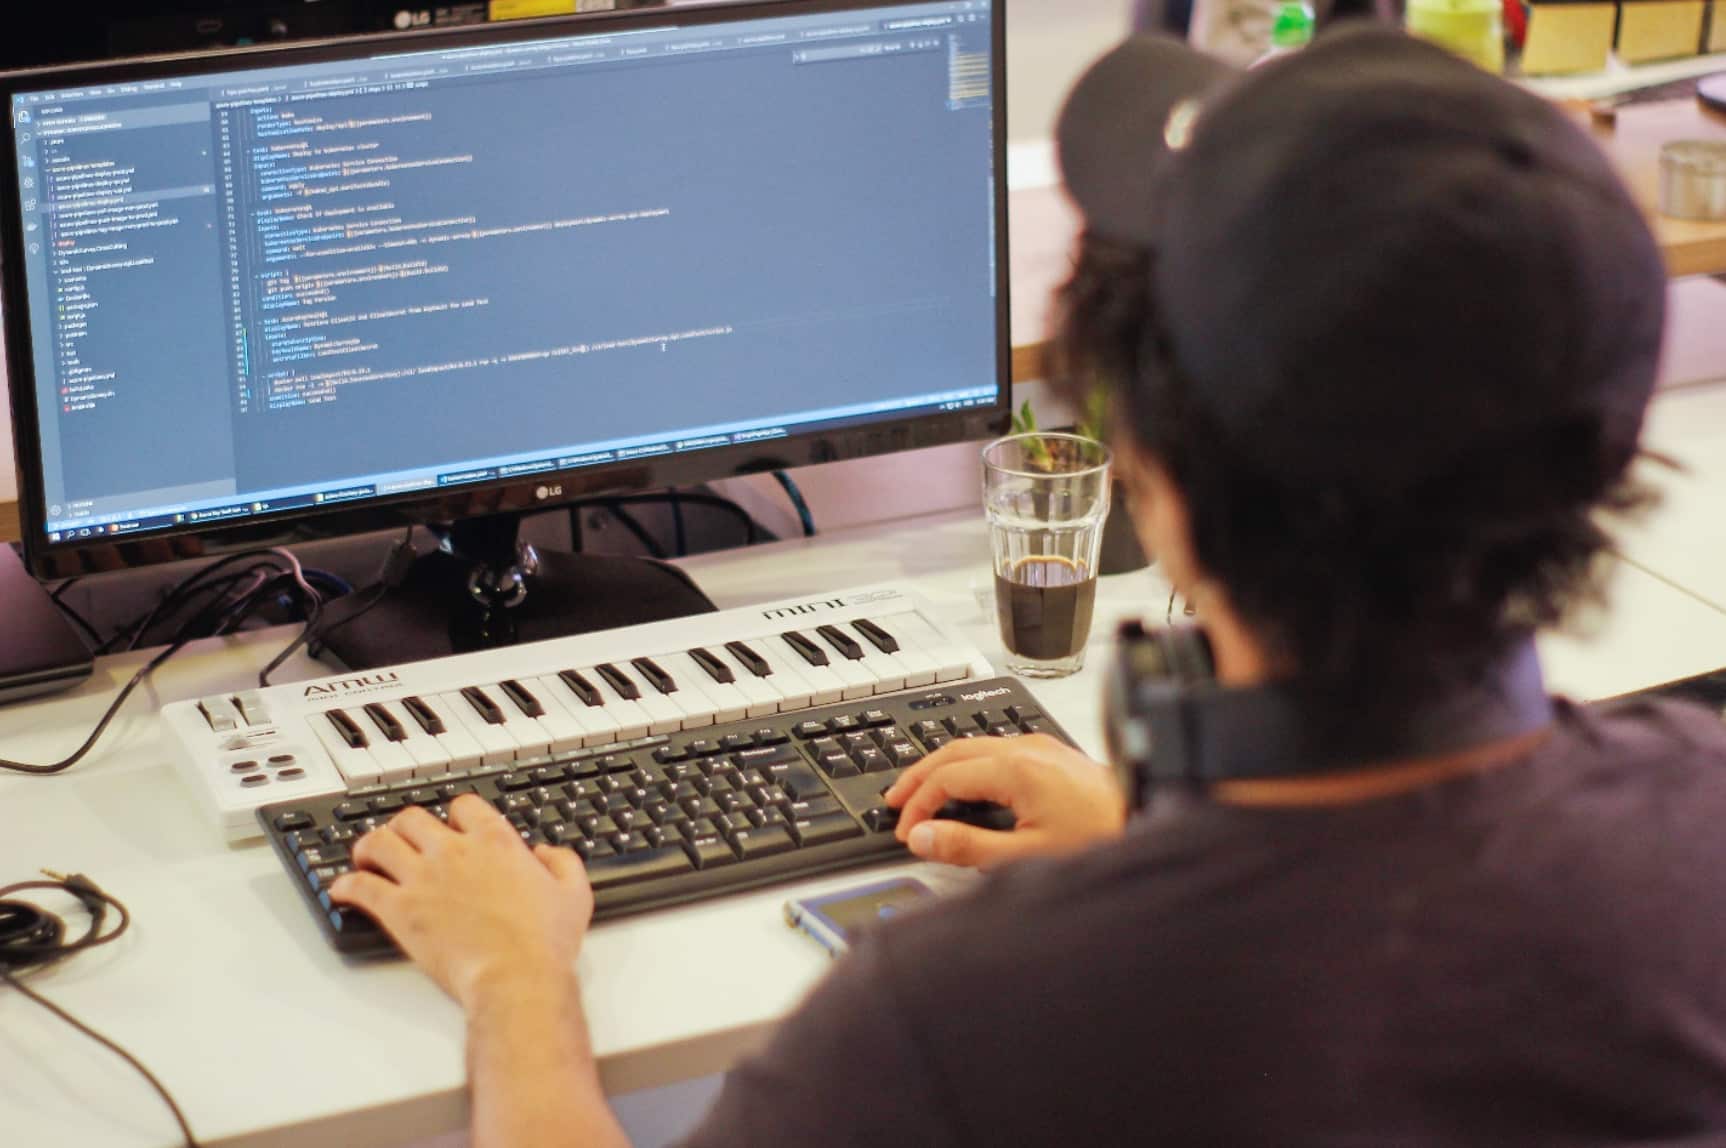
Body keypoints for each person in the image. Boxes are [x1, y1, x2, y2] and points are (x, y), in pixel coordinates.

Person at [330, 26, 1726, 1147]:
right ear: (1604, 454)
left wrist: (512, 979)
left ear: (1152, 471)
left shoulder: (963, 1015)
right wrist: (1152, 838)